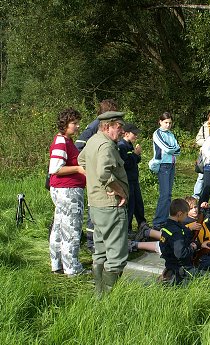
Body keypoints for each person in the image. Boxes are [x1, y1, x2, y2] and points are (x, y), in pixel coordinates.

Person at [78, 111, 129, 294]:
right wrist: (119, 190)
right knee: (116, 256)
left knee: (99, 252)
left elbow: (81, 160)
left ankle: (99, 295)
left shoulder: (93, 140)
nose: (122, 130)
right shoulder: (106, 145)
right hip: (110, 206)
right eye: (119, 126)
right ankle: (109, 299)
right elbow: (103, 174)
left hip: (96, 205)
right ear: (107, 126)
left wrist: (94, 181)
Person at [75, 99, 118, 253]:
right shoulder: (95, 126)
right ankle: (92, 242)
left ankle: (98, 240)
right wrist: (91, 167)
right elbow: (79, 146)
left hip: (100, 172)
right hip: (97, 175)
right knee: (96, 205)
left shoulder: (100, 126)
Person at [48, 108, 87, 276]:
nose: (77, 126)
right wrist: (79, 168)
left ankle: (57, 264)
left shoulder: (66, 140)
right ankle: (72, 268)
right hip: (67, 191)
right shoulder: (61, 142)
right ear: (64, 124)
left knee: (58, 227)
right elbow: (55, 168)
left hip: (65, 189)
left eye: (77, 123)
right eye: (74, 123)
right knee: (71, 229)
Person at [159, 198, 208, 285]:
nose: (186, 217)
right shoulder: (177, 232)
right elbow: (181, 254)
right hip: (182, 268)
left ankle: (168, 275)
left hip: (170, 264)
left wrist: (199, 244)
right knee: (204, 281)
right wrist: (193, 247)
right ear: (179, 214)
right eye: (186, 214)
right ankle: (174, 280)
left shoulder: (167, 227)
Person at [117, 123, 150, 237]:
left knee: (138, 203)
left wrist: (137, 155)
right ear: (126, 133)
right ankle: (128, 229)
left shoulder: (130, 145)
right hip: (127, 180)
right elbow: (125, 164)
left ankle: (142, 224)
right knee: (130, 206)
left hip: (134, 179)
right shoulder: (122, 146)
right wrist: (135, 154)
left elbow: (135, 160)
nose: (136, 136)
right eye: (134, 134)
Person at [152, 112, 181, 229]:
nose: (168, 125)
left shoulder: (170, 134)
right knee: (164, 194)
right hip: (163, 165)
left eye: (170, 123)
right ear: (160, 122)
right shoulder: (157, 133)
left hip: (171, 164)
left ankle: (165, 219)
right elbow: (168, 148)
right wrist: (174, 149)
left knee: (168, 194)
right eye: (166, 122)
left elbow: (178, 150)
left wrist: (174, 149)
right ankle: (158, 222)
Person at [193, 111, 210, 199]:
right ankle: (196, 194)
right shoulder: (204, 127)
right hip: (205, 155)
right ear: (209, 118)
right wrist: (207, 143)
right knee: (201, 175)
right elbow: (198, 139)